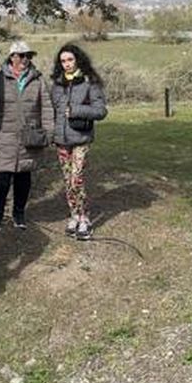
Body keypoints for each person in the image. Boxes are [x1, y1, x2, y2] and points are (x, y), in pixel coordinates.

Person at [0, 41, 56, 231]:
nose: (25, 59)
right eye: (21, 55)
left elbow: (47, 108)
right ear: (12, 57)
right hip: (4, 136)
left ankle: (19, 213)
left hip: (29, 137)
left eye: (28, 56)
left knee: (23, 178)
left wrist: (49, 133)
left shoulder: (37, 80)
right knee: (0, 178)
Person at [49, 43, 108, 240]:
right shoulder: (57, 84)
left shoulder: (90, 82)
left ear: (78, 60)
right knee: (67, 182)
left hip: (81, 138)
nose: (67, 64)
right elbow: (51, 111)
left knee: (77, 178)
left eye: (70, 60)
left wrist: (76, 111)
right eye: (63, 61)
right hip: (61, 140)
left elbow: (101, 111)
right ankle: (74, 215)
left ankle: (84, 218)